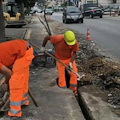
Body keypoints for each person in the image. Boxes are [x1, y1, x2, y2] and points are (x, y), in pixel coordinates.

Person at [0, 39, 34, 120]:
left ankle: (15, 112)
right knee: (23, 80)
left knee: (16, 82)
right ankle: (23, 101)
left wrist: (7, 83)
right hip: (26, 49)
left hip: (23, 53)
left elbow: (9, 73)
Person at [41, 31, 79, 95]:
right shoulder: (58, 38)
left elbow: (74, 53)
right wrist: (43, 47)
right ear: (64, 39)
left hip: (69, 59)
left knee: (74, 73)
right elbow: (47, 37)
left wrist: (71, 62)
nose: (70, 44)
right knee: (61, 76)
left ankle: (73, 89)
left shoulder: (74, 42)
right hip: (60, 59)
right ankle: (63, 89)